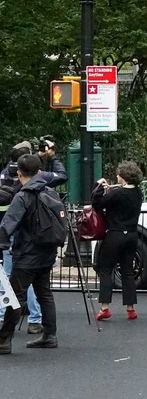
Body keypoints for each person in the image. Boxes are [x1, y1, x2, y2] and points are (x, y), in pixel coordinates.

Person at [0, 154, 61, 353]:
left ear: (19, 173)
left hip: (27, 253)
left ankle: (4, 339)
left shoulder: (23, 196)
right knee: (45, 293)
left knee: (15, 297)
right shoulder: (50, 191)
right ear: (39, 171)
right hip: (47, 251)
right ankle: (49, 335)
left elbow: (8, 224)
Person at [93, 162, 144, 321]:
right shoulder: (138, 193)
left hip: (115, 234)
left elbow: (97, 204)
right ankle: (130, 308)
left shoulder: (117, 193)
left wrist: (98, 187)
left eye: (118, 174)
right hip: (132, 235)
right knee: (128, 271)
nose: (117, 176)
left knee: (106, 269)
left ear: (123, 177)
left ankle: (104, 307)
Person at [0, 141, 43, 333]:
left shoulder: (4, 176)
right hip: (25, 236)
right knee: (29, 281)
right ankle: (35, 319)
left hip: (8, 233)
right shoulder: (32, 186)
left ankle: (3, 316)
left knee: (6, 278)